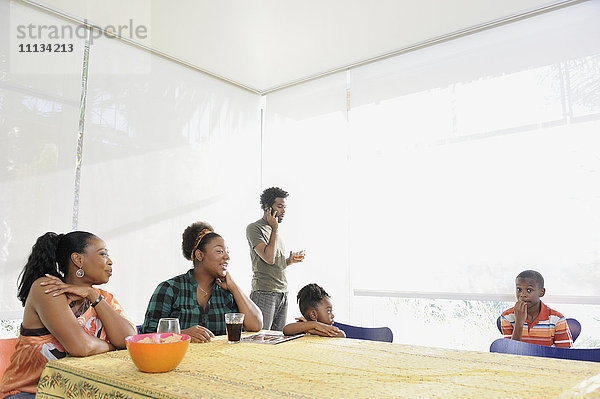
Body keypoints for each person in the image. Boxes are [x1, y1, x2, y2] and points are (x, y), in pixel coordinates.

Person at [0, 231, 136, 399]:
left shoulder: (102, 298)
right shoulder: (47, 288)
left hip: (79, 393)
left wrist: (92, 295)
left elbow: (130, 340)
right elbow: (81, 347)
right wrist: (112, 347)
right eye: (103, 254)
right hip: (30, 393)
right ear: (78, 260)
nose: (110, 261)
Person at [140, 222, 262, 342]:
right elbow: (147, 334)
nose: (227, 257)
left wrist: (234, 287)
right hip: (178, 360)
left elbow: (256, 325)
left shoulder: (228, 292)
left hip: (221, 360)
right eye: (219, 251)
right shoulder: (170, 289)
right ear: (199, 255)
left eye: (227, 252)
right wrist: (181, 334)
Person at [246, 187, 304, 331]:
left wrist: (288, 261)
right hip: (264, 292)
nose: (283, 211)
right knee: (260, 338)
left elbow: (274, 263)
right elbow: (269, 258)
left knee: (277, 340)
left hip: (282, 292)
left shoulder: (274, 231)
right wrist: (275, 229)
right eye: (279, 206)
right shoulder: (254, 228)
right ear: (267, 206)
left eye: (284, 207)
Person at [500, 270, 572, 348]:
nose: (522, 295)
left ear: (541, 292)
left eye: (529, 290)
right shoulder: (507, 317)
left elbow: (564, 354)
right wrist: (519, 323)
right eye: (519, 289)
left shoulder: (557, 319)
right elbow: (510, 352)